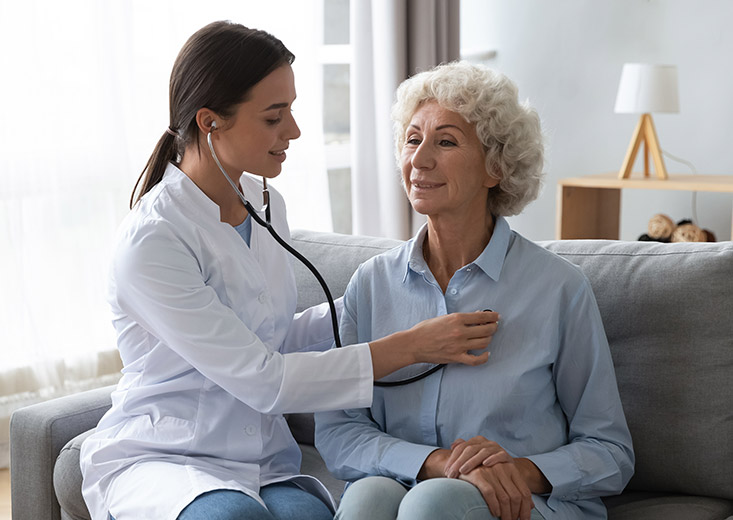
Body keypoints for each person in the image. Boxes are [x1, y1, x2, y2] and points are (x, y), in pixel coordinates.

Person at [79, 23, 498, 520]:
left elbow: (271, 335)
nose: (294, 131)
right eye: (274, 117)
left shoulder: (265, 203)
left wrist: (376, 297)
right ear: (210, 122)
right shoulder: (153, 240)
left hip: (258, 459)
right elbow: (264, 379)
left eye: (292, 111)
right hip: (167, 456)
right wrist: (411, 345)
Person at [314, 61, 635, 520]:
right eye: (412, 139)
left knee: (434, 503)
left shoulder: (559, 289)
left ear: (496, 168)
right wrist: (435, 462)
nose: (420, 159)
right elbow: (340, 431)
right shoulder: (371, 284)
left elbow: (610, 450)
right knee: (367, 498)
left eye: (445, 141)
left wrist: (517, 471)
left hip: (527, 505)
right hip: (410, 488)